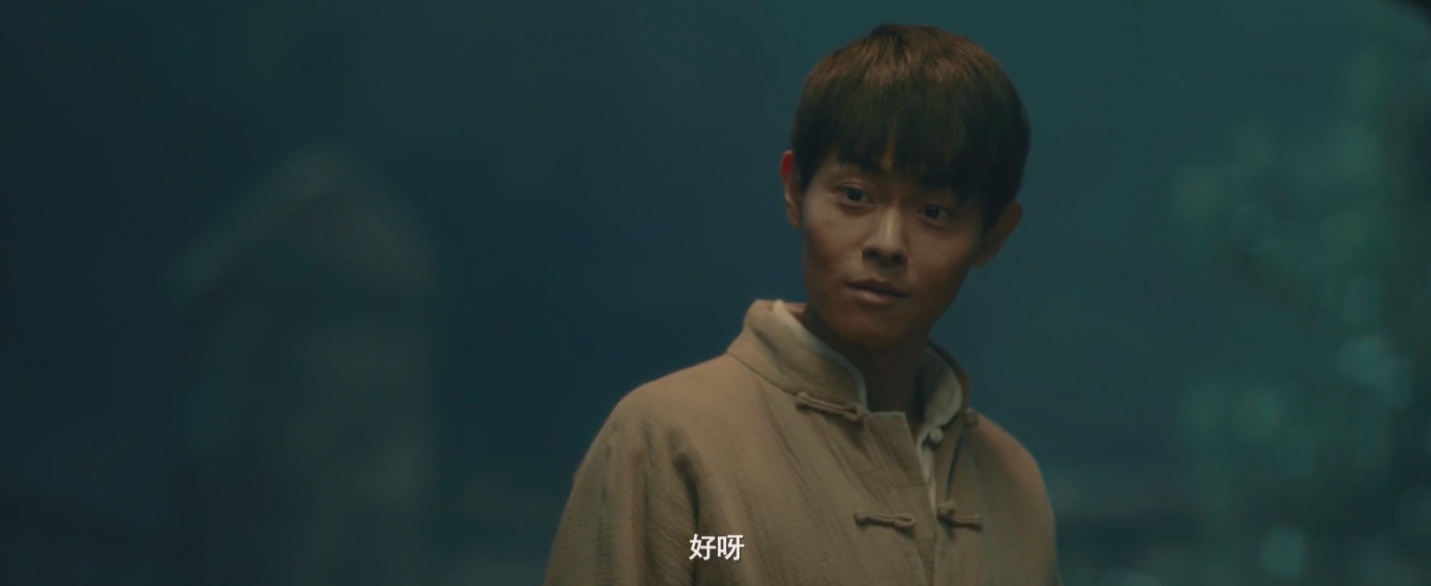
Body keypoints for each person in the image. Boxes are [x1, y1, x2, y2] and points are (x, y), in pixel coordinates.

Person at [544, 24, 1060, 586]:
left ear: (993, 235)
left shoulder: (1014, 483)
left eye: (934, 212)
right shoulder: (670, 440)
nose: (887, 243)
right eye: (855, 195)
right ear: (795, 190)